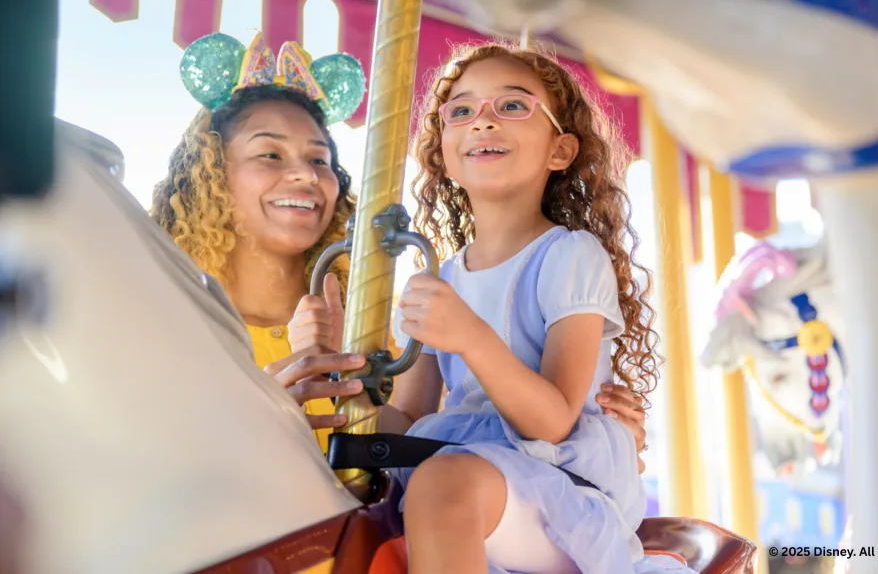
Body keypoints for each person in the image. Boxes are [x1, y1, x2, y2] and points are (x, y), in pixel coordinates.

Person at [150, 31, 650, 458]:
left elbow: (403, 434)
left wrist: (593, 437)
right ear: (213, 174)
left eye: (320, 159)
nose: (304, 174)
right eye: (269, 154)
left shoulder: (382, 332)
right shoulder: (171, 327)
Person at [386, 42, 685, 574]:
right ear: (441, 151)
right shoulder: (439, 278)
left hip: (562, 487)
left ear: (560, 151)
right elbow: (407, 421)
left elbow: (551, 423)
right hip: (477, 478)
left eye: (512, 106)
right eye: (461, 111)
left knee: (440, 483)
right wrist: (348, 386)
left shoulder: (569, 256)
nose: (483, 122)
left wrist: (470, 336)